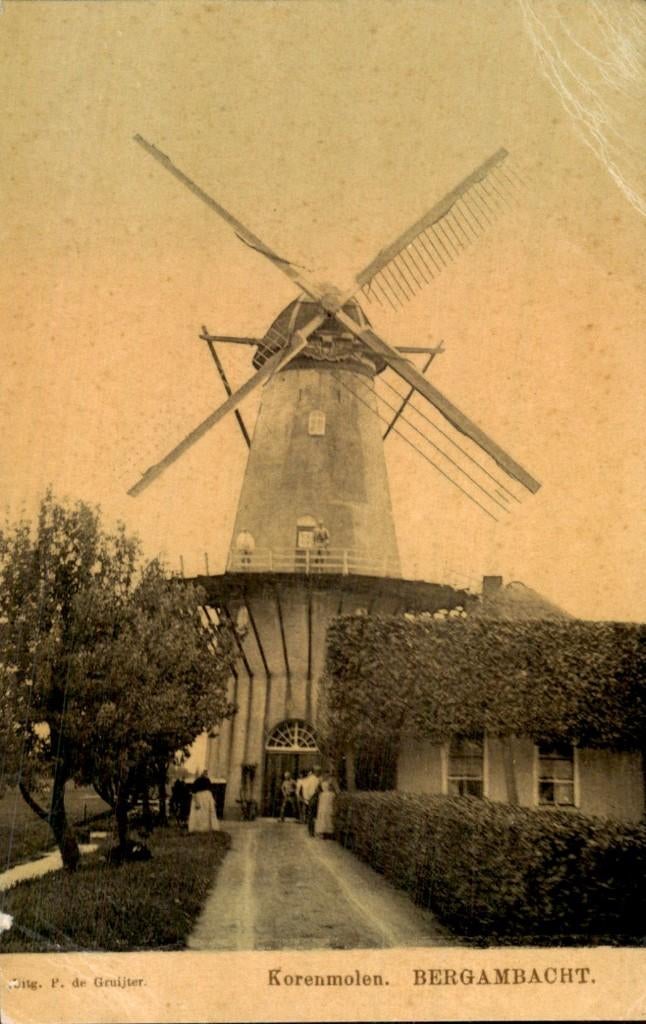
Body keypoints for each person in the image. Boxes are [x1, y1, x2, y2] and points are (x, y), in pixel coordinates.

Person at [314, 773, 339, 839]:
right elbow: (337, 790)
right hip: (328, 796)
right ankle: (328, 831)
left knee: (324, 813)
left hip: (323, 796)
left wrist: (320, 793)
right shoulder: (332, 780)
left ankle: (322, 831)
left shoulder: (321, 780)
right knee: (327, 812)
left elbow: (316, 789)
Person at [304, 766, 323, 836]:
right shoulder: (310, 779)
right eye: (318, 771)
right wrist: (307, 798)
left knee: (317, 814)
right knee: (311, 815)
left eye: (320, 771)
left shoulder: (319, 779)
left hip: (318, 797)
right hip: (312, 797)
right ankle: (311, 831)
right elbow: (305, 789)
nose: (319, 773)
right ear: (315, 771)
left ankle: (316, 830)